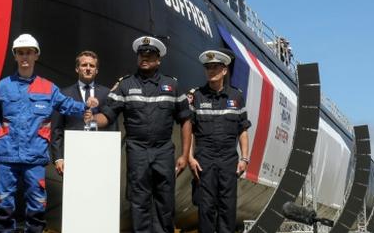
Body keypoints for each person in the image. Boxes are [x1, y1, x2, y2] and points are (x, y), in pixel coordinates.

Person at [0, 34, 98, 233]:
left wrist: (86, 108)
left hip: (35, 158)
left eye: (29, 52)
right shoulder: (2, 87)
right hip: (6, 157)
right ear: (15, 56)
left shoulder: (48, 88)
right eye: (20, 53)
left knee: (37, 207)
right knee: (4, 207)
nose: (25, 57)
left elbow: (66, 105)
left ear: (36, 56)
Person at [92, 36, 193, 233]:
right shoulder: (125, 85)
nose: (144, 58)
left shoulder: (172, 86)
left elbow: (186, 120)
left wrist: (184, 155)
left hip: (164, 151)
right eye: (141, 55)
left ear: (158, 59)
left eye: (150, 55)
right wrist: (90, 120)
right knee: (139, 204)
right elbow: (107, 116)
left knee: (165, 203)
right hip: (137, 151)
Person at [186, 49, 251, 233]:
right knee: (206, 209)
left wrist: (245, 158)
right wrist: (190, 157)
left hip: (229, 160)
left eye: (215, 67)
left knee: (227, 209)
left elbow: (243, 130)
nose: (211, 71)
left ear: (224, 71)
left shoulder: (236, 97)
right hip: (204, 160)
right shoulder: (196, 96)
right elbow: (189, 130)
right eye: (208, 67)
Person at [50, 50, 117, 175]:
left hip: (101, 154)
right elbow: (56, 129)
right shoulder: (63, 94)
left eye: (92, 66)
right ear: (77, 68)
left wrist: (112, 156)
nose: (88, 68)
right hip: (72, 154)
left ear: (96, 70)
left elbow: (112, 126)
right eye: (84, 65)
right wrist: (58, 157)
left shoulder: (107, 94)